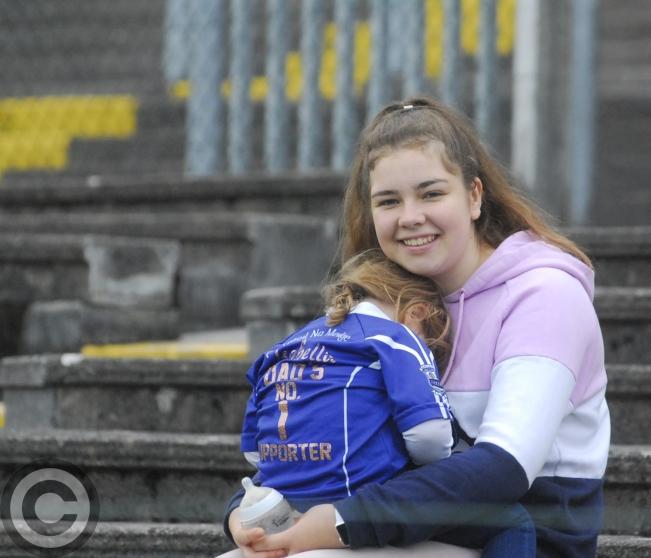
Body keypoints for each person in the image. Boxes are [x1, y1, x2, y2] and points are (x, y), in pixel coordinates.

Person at [223, 97, 610, 558]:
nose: (410, 217)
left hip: (523, 536)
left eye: (431, 194)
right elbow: (324, 442)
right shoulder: (388, 305)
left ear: (474, 196)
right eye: (389, 201)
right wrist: (245, 512)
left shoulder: (545, 295)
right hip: (396, 524)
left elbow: (505, 469)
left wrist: (341, 520)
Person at [225, 249, 537, 558]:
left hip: (282, 503)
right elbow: (431, 435)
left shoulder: (283, 346)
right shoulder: (396, 336)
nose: (432, 352)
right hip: (355, 499)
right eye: (432, 341)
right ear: (417, 313)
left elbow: (253, 453)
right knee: (512, 521)